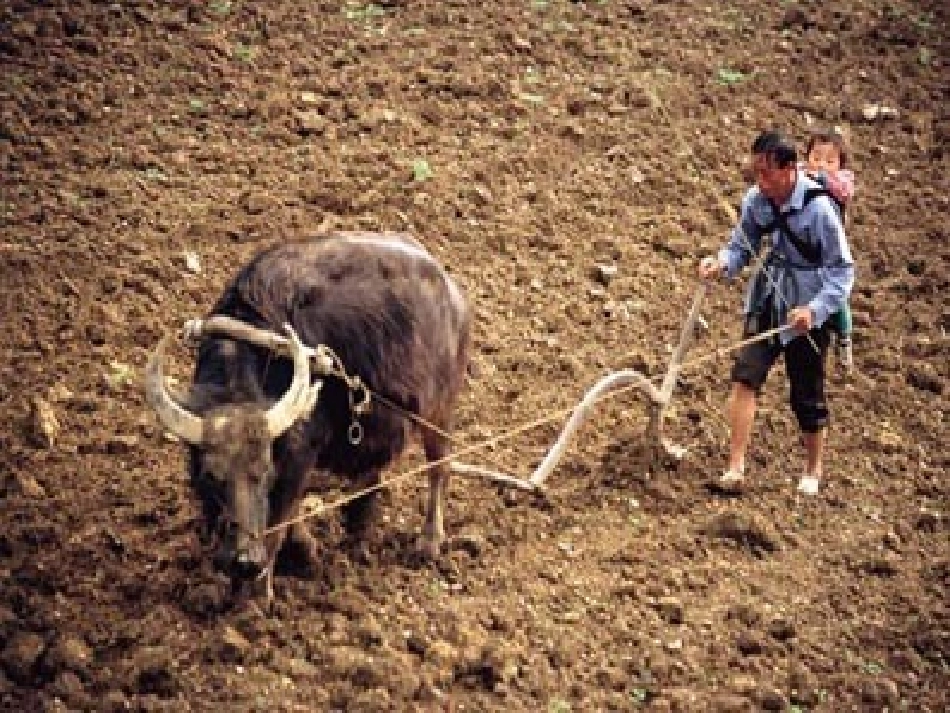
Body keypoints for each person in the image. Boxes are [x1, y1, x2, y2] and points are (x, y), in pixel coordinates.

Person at [698, 130, 855, 495]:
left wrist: (814, 312)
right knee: (745, 376)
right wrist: (720, 263)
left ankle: (813, 469)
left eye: (766, 173)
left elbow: (842, 270)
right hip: (769, 298)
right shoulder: (757, 200)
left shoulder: (819, 209)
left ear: (789, 170)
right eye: (756, 173)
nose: (760, 181)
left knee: (806, 393)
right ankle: (735, 468)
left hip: (807, 303)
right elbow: (742, 245)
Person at [802, 129, 856, 370]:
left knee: (837, 297)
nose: (821, 165)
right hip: (806, 250)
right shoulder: (801, 177)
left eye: (830, 161)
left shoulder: (841, 183)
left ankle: (844, 338)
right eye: (816, 157)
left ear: (840, 164)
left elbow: (841, 191)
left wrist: (822, 179)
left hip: (830, 251)